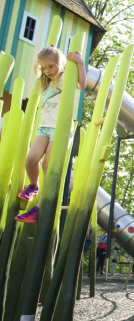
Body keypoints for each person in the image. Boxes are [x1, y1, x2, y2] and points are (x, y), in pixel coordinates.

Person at [15, 45, 86, 223]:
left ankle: (37, 209)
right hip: (44, 128)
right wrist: (49, 50)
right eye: (44, 68)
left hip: (61, 130)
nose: (48, 71)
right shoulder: (45, 82)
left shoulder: (65, 78)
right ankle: (34, 185)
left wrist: (80, 63)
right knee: (31, 159)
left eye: (51, 67)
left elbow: (81, 84)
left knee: (47, 164)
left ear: (60, 64)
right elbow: (44, 61)